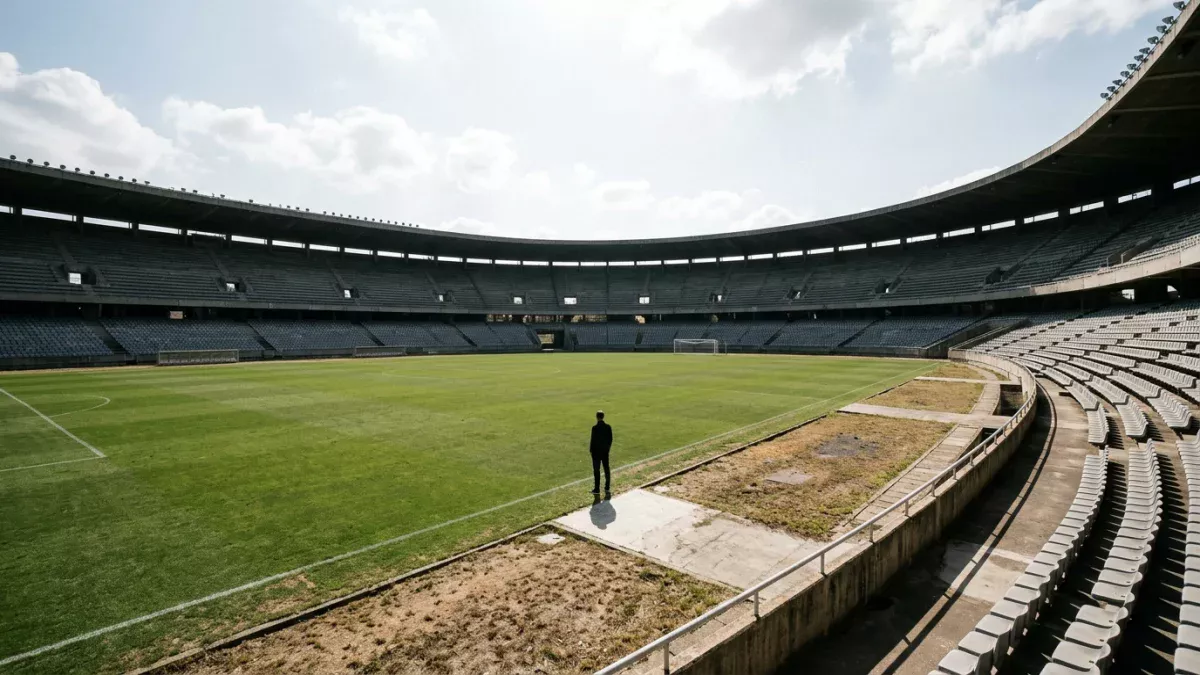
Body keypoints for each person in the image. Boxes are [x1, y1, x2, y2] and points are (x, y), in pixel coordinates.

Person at [590, 410, 613, 495]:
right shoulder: (608, 427)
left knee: (596, 470)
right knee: (606, 469)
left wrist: (591, 451)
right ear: (603, 417)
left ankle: (597, 489)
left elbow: (593, 441)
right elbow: (610, 439)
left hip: (596, 453)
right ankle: (607, 487)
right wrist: (607, 449)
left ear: (597, 417)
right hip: (605, 452)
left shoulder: (594, 428)